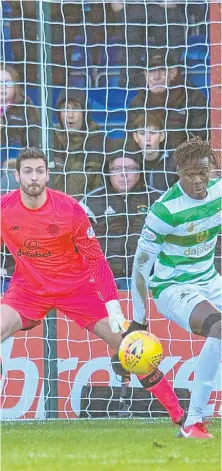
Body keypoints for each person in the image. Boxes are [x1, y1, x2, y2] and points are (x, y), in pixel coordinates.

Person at [0, 146, 185, 426]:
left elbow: (96, 260)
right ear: (17, 176)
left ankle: (183, 418)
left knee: (132, 349)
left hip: (78, 289)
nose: (34, 177)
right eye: (28, 171)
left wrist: (113, 307)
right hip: (29, 289)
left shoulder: (69, 209)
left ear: (48, 175)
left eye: (39, 171)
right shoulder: (4, 209)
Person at [127, 136, 221, 439]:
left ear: (211, 169)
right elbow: (141, 265)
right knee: (218, 327)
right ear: (178, 173)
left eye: (202, 172)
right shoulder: (164, 211)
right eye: (189, 174)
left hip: (210, 279)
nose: (197, 180)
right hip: (172, 288)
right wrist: (138, 320)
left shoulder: (218, 192)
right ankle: (193, 421)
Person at [80, 139, 148, 289]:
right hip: (103, 281)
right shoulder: (90, 203)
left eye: (130, 168)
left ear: (140, 171)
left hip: (148, 279)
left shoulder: (155, 200)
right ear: (108, 171)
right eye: (117, 169)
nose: (124, 174)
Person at [128, 49, 208, 151]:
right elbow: (131, 142)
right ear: (145, 74)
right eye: (151, 71)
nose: (156, 77)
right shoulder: (138, 102)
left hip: (185, 162)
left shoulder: (193, 98)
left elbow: (202, 139)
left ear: (173, 72)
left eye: (162, 70)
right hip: (149, 163)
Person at [110, 1, 186, 88]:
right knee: (130, 43)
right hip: (131, 6)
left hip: (162, 5)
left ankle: (172, 80)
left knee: (172, 36)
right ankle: (130, 84)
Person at [51, 89, 104, 200]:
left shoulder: (98, 142)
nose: (70, 115)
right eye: (65, 109)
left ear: (85, 113)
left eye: (75, 108)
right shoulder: (51, 139)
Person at [0, 63, 40, 164]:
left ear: (16, 87)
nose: (2, 87)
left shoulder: (26, 109)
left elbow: (33, 143)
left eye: (8, 83)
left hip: (15, 163)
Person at [131, 111, 178, 196]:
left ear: (162, 136)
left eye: (153, 133)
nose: (147, 139)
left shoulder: (175, 162)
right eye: (142, 133)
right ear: (135, 137)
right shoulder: (130, 162)